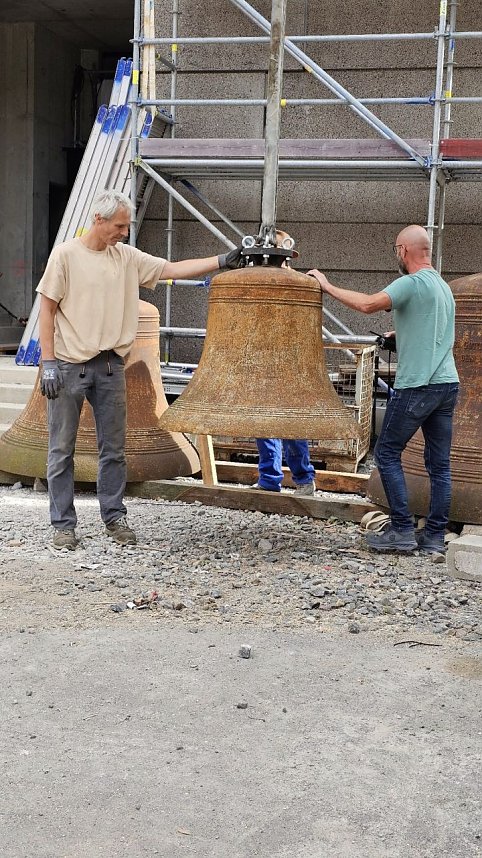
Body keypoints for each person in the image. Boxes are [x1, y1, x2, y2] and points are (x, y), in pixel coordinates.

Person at [38, 189, 242, 550]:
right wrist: (49, 362)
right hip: (70, 366)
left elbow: (171, 269)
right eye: (119, 225)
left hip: (111, 366)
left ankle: (114, 518)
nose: (124, 232)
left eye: (126, 226)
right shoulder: (66, 255)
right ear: (98, 220)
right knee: (61, 449)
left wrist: (223, 260)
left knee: (114, 449)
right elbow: (47, 310)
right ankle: (63, 526)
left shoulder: (126, 257)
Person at [308, 224, 459, 555]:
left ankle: (403, 529)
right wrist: (399, 335)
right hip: (447, 384)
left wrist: (326, 285)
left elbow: (366, 304)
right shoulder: (442, 287)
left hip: (418, 385)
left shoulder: (410, 282)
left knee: (388, 453)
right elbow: (435, 329)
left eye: (396, 250)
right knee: (440, 465)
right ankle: (433, 537)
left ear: (404, 251)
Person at [254, 230, 316, 497]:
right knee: (264, 422)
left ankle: (301, 479)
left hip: (289, 361)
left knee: (290, 423)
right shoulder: (256, 283)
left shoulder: (298, 284)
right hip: (264, 359)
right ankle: (271, 480)